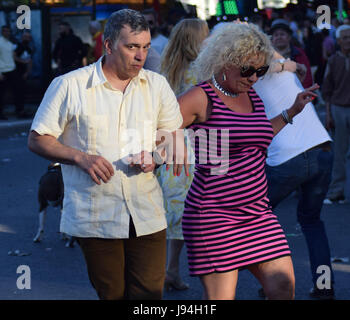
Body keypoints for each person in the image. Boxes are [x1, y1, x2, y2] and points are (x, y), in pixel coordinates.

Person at [27, 9, 183, 300]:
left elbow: (173, 138)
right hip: (95, 216)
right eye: (132, 47)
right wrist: (80, 157)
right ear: (109, 45)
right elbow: (37, 140)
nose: (141, 56)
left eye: (146, 47)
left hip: (147, 213)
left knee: (149, 297)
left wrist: (156, 157)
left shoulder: (157, 85)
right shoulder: (70, 85)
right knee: (112, 294)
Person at [172, 22, 319, 300]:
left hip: (258, 214)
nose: (254, 77)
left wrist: (292, 111)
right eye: (247, 70)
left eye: (260, 70)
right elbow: (158, 129)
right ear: (225, 61)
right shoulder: (201, 97)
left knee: (283, 288)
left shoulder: (251, 95)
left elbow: (255, 136)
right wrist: (175, 141)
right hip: (215, 216)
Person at [253, 50, 335, 300]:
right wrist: (294, 64)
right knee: (312, 222)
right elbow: (286, 62)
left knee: (257, 217)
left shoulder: (249, 75)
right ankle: (324, 286)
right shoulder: (282, 66)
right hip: (322, 149)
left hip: (288, 157)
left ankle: (273, 285)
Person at [156, 18, 209, 291]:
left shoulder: (165, 68)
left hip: (169, 141)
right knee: (208, 207)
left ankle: (170, 269)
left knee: (175, 207)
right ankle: (213, 272)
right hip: (206, 141)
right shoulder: (206, 70)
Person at [322, 25, 350, 204]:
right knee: (339, 154)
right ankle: (336, 191)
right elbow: (327, 90)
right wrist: (329, 114)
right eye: (345, 38)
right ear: (339, 41)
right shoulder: (333, 61)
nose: (348, 41)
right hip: (339, 109)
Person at [270, 18, 313, 88]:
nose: (279, 37)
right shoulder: (266, 56)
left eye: (282, 34)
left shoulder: (299, 54)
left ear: (289, 37)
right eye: (276, 35)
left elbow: (307, 79)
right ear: (272, 39)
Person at [0, 25, 29, 119]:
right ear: (2, 32)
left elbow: (13, 56)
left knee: (18, 91)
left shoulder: (11, 43)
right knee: (1, 93)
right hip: (3, 71)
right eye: (4, 31)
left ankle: (20, 111)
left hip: (12, 69)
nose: (6, 33)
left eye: (8, 31)